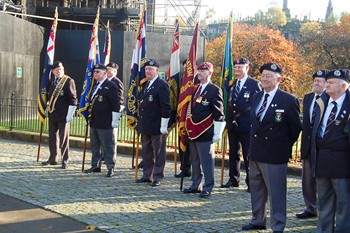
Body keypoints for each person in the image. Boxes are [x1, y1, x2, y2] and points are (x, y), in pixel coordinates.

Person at [242, 63, 301, 233]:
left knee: (276, 194)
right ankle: (257, 220)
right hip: (256, 152)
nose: (265, 79)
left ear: (278, 79)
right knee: (257, 190)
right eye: (263, 75)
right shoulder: (256, 97)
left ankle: (278, 225)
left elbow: (295, 129)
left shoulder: (288, 100)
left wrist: (281, 146)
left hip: (275, 155)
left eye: (269, 76)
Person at [311, 69, 350, 232]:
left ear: (344, 87)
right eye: (327, 81)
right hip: (322, 160)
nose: (327, 84)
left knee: (344, 204)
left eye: (331, 82)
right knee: (324, 202)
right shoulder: (322, 102)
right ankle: (324, 230)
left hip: (343, 163)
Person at [182, 61, 225, 198]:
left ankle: (208, 186)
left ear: (210, 73)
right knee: (194, 160)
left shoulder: (214, 90)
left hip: (205, 130)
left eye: (204, 71)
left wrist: (217, 133)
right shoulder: (194, 89)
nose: (200, 73)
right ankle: (196, 185)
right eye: (199, 71)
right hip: (193, 130)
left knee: (206, 161)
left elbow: (219, 113)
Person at [222, 58, 260, 191]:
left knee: (248, 155)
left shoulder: (254, 84)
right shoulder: (232, 84)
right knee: (233, 154)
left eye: (240, 67)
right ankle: (233, 179)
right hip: (233, 124)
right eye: (236, 67)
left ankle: (251, 182)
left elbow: (258, 105)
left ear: (247, 68)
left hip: (247, 124)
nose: (237, 69)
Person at [296, 69, 328, 219]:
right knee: (307, 179)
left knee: (321, 181)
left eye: (319, 81)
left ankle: (323, 210)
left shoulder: (330, 99)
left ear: (326, 83)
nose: (316, 83)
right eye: (315, 80)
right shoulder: (308, 97)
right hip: (308, 146)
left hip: (322, 149)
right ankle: (310, 207)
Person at [136, 59, 171, 187]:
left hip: (157, 125)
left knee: (159, 153)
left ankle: (157, 176)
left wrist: (164, 125)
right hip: (146, 125)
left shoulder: (162, 85)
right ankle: (147, 175)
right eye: (146, 69)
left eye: (151, 69)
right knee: (147, 152)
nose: (148, 71)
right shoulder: (146, 85)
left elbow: (165, 106)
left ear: (157, 71)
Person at [84, 64, 121, 177]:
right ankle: (95, 165)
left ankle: (110, 167)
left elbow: (116, 105)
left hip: (105, 121)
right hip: (95, 120)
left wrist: (114, 120)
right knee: (95, 145)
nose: (95, 74)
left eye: (98, 72)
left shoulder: (111, 86)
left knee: (108, 145)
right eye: (95, 72)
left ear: (105, 74)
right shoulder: (95, 85)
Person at [42, 61, 77, 169]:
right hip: (53, 114)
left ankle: (65, 160)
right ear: (52, 71)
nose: (58, 71)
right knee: (52, 138)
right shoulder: (51, 81)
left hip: (63, 114)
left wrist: (70, 114)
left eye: (60, 68)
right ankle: (53, 158)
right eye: (56, 69)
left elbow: (73, 99)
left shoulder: (68, 81)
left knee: (63, 139)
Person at [95, 62, 124, 169]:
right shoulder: (99, 83)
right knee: (100, 140)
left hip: (111, 115)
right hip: (100, 117)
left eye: (109, 69)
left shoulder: (116, 82)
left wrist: (116, 116)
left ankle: (111, 160)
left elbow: (119, 99)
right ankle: (102, 158)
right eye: (106, 69)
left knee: (111, 140)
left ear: (115, 71)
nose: (107, 71)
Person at [174, 59, 199, 178]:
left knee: (195, 147)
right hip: (183, 118)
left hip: (196, 120)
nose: (186, 70)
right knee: (182, 143)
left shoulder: (200, 81)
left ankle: (197, 171)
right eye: (185, 68)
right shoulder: (181, 80)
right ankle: (185, 169)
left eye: (188, 68)